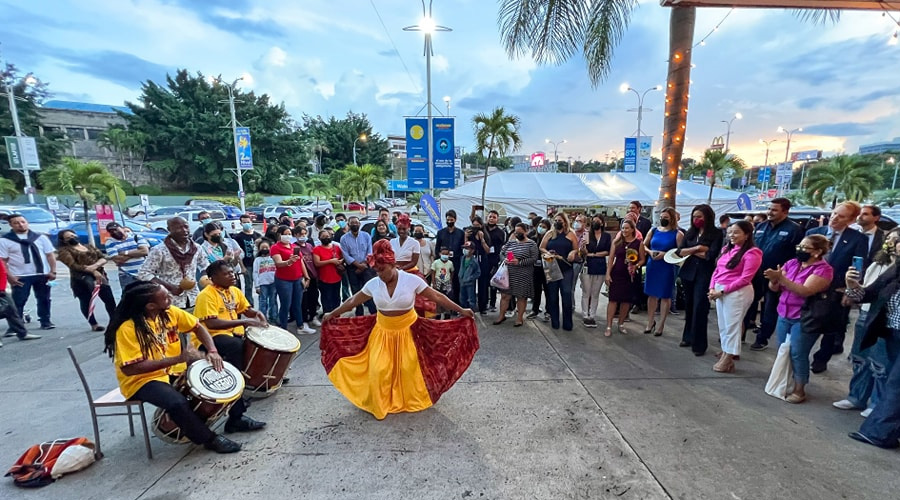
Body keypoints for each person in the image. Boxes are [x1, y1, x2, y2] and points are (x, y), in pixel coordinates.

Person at [320, 239, 478, 420]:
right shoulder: (373, 284)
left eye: (383, 270)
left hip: (408, 332)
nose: (379, 274)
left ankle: (408, 397)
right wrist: (333, 313)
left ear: (392, 264)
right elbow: (352, 301)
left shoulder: (410, 280)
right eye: (377, 271)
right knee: (379, 370)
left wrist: (461, 310)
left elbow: (436, 296)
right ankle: (381, 402)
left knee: (408, 368)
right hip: (382, 332)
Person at [104, 281, 246, 454]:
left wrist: (213, 350)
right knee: (176, 402)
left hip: (173, 370)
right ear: (150, 306)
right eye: (165, 297)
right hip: (141, 380)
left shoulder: (169, 312)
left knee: (221, 376)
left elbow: (198, 327)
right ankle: (209, 439)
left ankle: (236, 419)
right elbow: (131, 368)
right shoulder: (128, 328)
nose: (170, 297)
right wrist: (178, 359)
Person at [193, 260, 269, 432]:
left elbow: (247, 310)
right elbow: (211, 324)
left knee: (254, 342)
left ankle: (257, 379)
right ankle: (238, 395)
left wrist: (258, 315)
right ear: (213, 278)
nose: (232, 275)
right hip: (211, 340)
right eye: (227, 273)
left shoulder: (234, 291)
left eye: (232, 272)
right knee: (236, 346)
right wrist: (245, 320)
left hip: (233, 335)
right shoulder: (206, 295)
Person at [834, 229, 899, 415]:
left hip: (887, 323)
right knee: (861, 359)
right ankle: (856, 397)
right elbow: (868, 292)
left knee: (882, 366)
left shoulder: (895, 269)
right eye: (889, 240)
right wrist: (852, 288)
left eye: (896, 241)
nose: (892, 244)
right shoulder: (881, 264)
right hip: (868, 315)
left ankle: (877, 405)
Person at [844, 252, 900, 449]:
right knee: (890, 380)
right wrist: (852, 285)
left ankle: (878, 433)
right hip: (891, 334)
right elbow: (868, 294)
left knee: (895, 385)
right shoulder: (894, 270)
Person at [805, 201, 867, 373]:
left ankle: (821, 358)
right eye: (834, 213)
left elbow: (858, 267)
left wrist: (850, 289)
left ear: (851, 220)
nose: (834, 218)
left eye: (841, 216)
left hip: (837, 290)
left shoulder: (857, 239)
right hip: (809, 287)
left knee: (832, 328)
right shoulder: (813, 233)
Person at [748, 198, 804, 351]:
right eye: (769, 209)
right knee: (748, 303)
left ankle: (762, 338)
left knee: (770, 307)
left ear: (785, 212)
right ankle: (740, 334)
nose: (770, 212)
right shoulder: (761, 226)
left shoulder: (794, 230)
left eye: (774, 210)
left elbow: (797, 257)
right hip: (755, 272)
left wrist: (785, 275)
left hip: (777, 275)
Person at [708, 220, 762, 373]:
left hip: (737, 292)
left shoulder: (752, 252)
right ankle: (726, 351)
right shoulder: (727, 249)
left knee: (732, 325)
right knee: (723, 325)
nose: (732, 235)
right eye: (730, 232)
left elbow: (745, 278)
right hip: (719, 289)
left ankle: (729, 356)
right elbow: (717, 271)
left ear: (747, 235)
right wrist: (712, 288)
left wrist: (723, 291)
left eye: (736, 232)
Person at [676, 204, 723, 356]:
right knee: (689, 307)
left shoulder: (716, 233)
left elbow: (711, 255)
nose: (696, 220)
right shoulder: (690, 233)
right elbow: (680, 251)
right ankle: (687, 336)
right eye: (694, 217)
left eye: (700, 217)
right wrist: (698, 249)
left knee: (700, 308)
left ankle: (699, 344)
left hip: (704, 275)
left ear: (707, 217)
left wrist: (695, 251)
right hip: (688, 273)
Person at [0, 213, 57, 330]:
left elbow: (50, 255)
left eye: (22, 222)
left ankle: (45, 321)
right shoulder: (5, 240)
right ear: (11, 225)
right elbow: (3, 261)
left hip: (42, 274)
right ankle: (16, 327)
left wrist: (53, 271)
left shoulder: (40, 237)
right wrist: (10, 277)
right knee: (18, 302)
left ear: (27, 222)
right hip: (20, 275)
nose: (20, 225)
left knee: (44, 299)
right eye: (16, 223)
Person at [56, 229, 117, 331]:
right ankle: (94, 324)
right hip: (81, 279)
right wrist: (93, 271)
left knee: (109, 300)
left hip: (100, 276)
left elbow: (103, 258)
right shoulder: (64, 251)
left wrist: (95, 266)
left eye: (72, 235)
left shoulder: (88, 246)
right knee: (86, 302)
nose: (71, 238)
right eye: (68, 238)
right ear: (63, 241)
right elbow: (73, 265)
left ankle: (114, 322)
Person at [138, 217, 206, 309]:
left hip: (194, 297)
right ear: (169, 229)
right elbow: (143, 273)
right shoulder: (159, 250)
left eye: (186, 227)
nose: (184, 230)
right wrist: (169, 287)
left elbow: (205, 265)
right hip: (171, 301)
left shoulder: (196, 248)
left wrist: (204, 278)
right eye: (179, 228)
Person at [642, 208, 682, 336]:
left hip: (667, 266)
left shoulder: (678, 234)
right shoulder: (653, 230)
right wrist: (649, 252)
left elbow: (681, 252)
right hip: (653, 264)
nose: (663, 219)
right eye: (661, 217)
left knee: (665, 295)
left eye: (666, 217)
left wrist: (666, 254)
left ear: (672, 219)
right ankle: (650, 321)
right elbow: (643, 245)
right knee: (651, 294)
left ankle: (661, 324)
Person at [495, 223, 539, 327]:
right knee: (505, 295)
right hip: (509, 273)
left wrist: (519, 262)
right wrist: (504, 259)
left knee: (521, 297)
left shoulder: (531, 244)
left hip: (523, 274)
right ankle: (501, 315)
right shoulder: (511, 243)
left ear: (526, 231)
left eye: (520, 232)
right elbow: (502, 252)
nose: (517, 234)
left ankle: (519, 318)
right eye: (516, 232)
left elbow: (534, 258)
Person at [605, 219, 645, 336]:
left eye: (627, 228)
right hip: (617, 273)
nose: (624, 230)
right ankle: (608, 325)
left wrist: (636, 265)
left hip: (630, 275)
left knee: (626, 301)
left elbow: (642, 259)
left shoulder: (639, 243)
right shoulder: (616, 242)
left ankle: (621, 323)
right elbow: (611, 258)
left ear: (633, 229)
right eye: (623, 228)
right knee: (613, 299)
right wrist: (608, 273)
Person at [540, 212, 578, 331]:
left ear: (565, 222)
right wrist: (547, 253)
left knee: (566, 295)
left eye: (560, 220)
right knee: (552, 296)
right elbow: (541, 247)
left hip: (566, 268)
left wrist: (573, 253)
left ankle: (567, 323)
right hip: (552, 267)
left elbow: (576, 249)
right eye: (555, 220)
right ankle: (555, 322)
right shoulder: (550, 233)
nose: (557, 222)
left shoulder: (571, 234)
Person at [270, 226, 312, 333]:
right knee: (286, 304)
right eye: (286, 233)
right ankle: (283, 328)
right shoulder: (275, 247)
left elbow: (301, 262)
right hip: (284, 280)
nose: (288, 236)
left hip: (297, 279)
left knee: (297, 303)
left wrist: (306, 276)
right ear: (280, 235)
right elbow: (278, 263)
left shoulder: (294, 246)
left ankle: (300, 326)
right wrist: (289, 262)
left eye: (289, 233)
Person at [341, 216, 376, 316]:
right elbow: (346, 255)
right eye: (352, 223)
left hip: (366, 266)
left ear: (359, 224)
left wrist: (364, 265)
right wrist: (358, 265)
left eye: (356, 222)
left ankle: (373, 311)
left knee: (369, 289)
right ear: (348, 225)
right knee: (355, 290)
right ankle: (359, 311)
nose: (354, 225)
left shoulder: (366, 236)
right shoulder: (344, 239)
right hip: (352, 268)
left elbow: (370, 251)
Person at [581, 215, 611, 328]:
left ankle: (592, 316)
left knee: (595, 293)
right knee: (586, 292)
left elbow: (607, 251)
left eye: (597, 221)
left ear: (602, 223)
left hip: (600, 266)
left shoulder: (606, 236)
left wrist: (593, 254)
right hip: (588, 265)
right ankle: (585, 315)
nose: (595, 223)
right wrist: (583, 248)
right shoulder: (587, 234)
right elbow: (584, 252)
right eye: (593, 221)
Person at [105, 222, 150, 291]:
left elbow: (144, 251)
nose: (114, 232)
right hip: (126, 275)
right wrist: (137, 252)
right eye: (111, 231)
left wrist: (125, 253)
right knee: (129, 298)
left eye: (116, 229)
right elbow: (118, 260)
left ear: (122, 228)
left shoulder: (136, 237)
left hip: (143, 273)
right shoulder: (110, 242)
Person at [0, 258, 35, 344]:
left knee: (11, 309)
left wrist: (1, 288)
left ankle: (22, 333)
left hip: (1, 290)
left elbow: (2, 272)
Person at [230, 214, 261, 305]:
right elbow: (238, 254)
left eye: (248, 222)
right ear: (241, 223)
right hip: (247, 264)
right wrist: (242, 267)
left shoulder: (257, 235)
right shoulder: (238, 237)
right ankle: (249, 304)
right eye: (244, 222)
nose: (246, 224)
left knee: (260, 285)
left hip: (258, 264)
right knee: (249, 285)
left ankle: (262, 303)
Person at [435, 210, 465, 304]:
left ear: (455, 220)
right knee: (443, 283)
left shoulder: (460, 233)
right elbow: (437, 248)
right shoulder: (441, 233)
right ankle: (444, 304)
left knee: (456, 283)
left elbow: (462, 247)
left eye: (451, 220)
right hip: (444, 262)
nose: (449, 222)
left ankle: (456, 304)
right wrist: (440, 257)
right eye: (448, 220)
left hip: (456, 261)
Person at [294, 226, 321, 328]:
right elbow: (296, 263)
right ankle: (304, 320)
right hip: (302, 277)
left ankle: (313, 316)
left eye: (304, 234)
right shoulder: (295, 247)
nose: (303, 236)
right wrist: (303, 277)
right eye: (300, 234)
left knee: (313, 297)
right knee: (303, 300)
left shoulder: (309, 246)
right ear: (295, 235)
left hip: (313, 276)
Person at [465, 216, 492, 315]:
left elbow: (488, 250)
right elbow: (465, 248)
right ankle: (470, 305)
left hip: (482, 260)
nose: (476, 227)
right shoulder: (470, 234)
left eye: (478, 226)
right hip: (472, 260)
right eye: (474, 225)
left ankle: (483, 306)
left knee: (483, 284)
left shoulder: (485, 234)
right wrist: (466, 236)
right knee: (470, 283)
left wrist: (482, 239)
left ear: (481, 226)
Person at [313, 229, 344, 315]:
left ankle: (337, 314)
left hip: (336, 277)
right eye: (323, 237)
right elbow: (317, 263)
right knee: (326, 298)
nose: (326, 238)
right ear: (319, 238)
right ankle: (327, 314)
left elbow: (343, 257)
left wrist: (340, 261)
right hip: (324, 278)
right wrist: (330, 261)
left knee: (336, 297)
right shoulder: (317, 249)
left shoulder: (336, 247)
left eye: (327, 236)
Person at [527, 218, 551, 322]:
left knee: (548, 290)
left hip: (547, 267)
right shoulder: (532, 238)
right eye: (540, 226)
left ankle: (549, 311)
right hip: (535, 268)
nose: (541, 229)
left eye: (544, 227)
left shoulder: (550, 240)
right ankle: (535, 310)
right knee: (536, 290)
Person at [484, 211, 507, 312]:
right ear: (487, 218)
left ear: (497, 219)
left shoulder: (501, 232)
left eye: (494, 217)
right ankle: (483, 303)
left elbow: (504, 247)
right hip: (484, 259)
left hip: (495, 260)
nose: (492, 219)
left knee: (494, 283)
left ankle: (493, 303)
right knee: (484, 283)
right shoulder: (483, 229)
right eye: (490, 217)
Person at [252, 239, 278, 323]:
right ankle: (262, 319)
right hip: (262, 284)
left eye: (266, 247)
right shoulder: (257, 260)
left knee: (273, 301)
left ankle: (274, 317)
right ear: (259, 249)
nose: (265, 249)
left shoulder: (274, 258)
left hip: (273, 282)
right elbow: (255, 273)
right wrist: (257, 285)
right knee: (262, 301)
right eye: (262, 247)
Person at [459, 242, 480, 311]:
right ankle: (464, 312)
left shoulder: (474, 261)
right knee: (462, 298)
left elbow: (478, 273)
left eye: (467, 248)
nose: (465, 250)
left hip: (470, 283)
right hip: (462, 281)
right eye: (464, 248)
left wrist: (470, 278)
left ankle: (472, 313)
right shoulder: (462, 258)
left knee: (471, 299)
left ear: (472, 250)